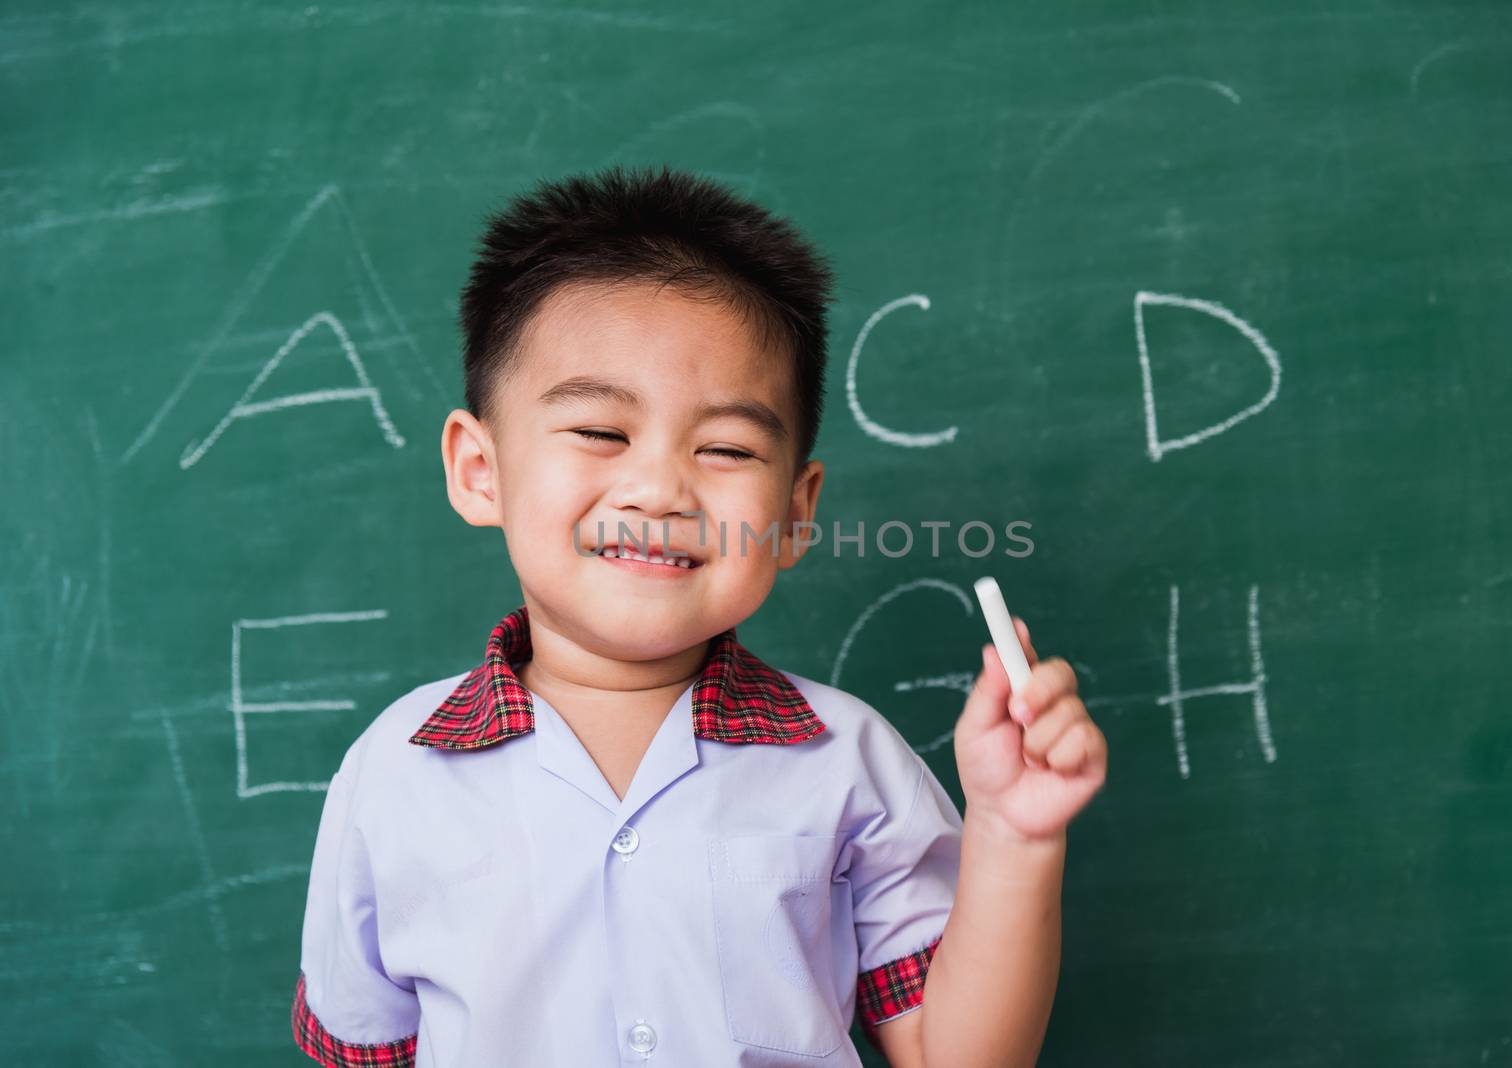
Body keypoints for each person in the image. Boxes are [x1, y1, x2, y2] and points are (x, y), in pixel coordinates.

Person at [290, 165, 1107, 1067]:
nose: (658, 487)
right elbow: (363, 1050)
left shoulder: (850, 764)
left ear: (795, 514)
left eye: (724, 447)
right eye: (601, 431)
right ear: (480, 470)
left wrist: (1015, 835)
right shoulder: (395, 775)